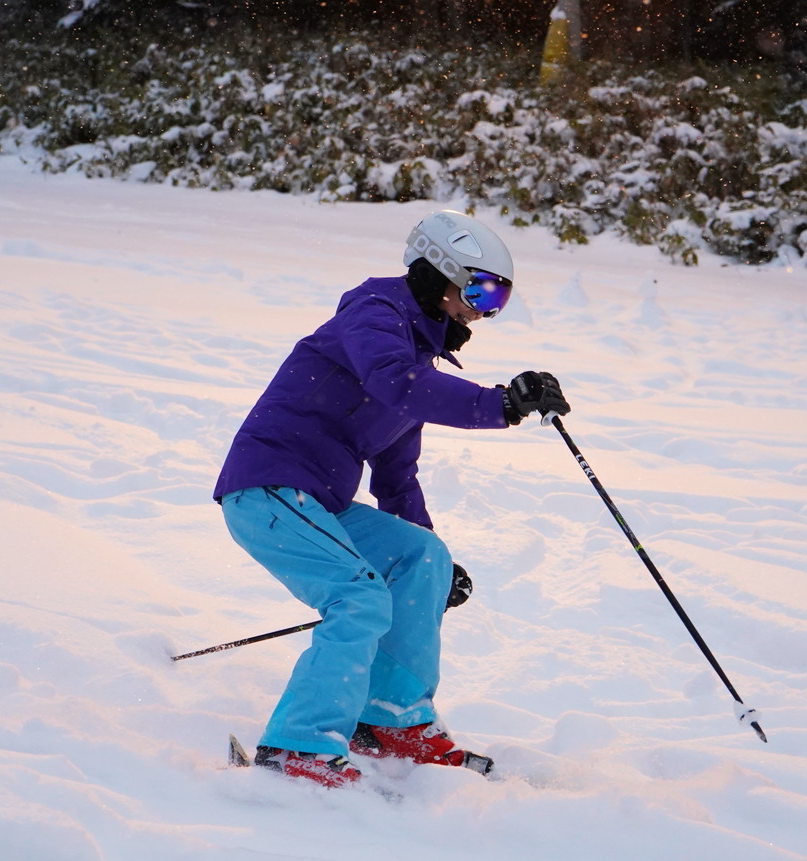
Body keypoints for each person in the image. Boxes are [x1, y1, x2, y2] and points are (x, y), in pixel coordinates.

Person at [213, 209, 570, 788]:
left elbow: (398, 479)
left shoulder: (415, 364)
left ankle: (390, 721)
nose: (482, 308)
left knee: (422, 558)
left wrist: (435, 569)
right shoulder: (374, 314)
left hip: (318, 504)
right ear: (439, 273)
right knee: (358, 598)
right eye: (478, 289)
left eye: (497, 298)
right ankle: (296, 746)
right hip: (267, 488)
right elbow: (393, 382)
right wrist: (498, 405)